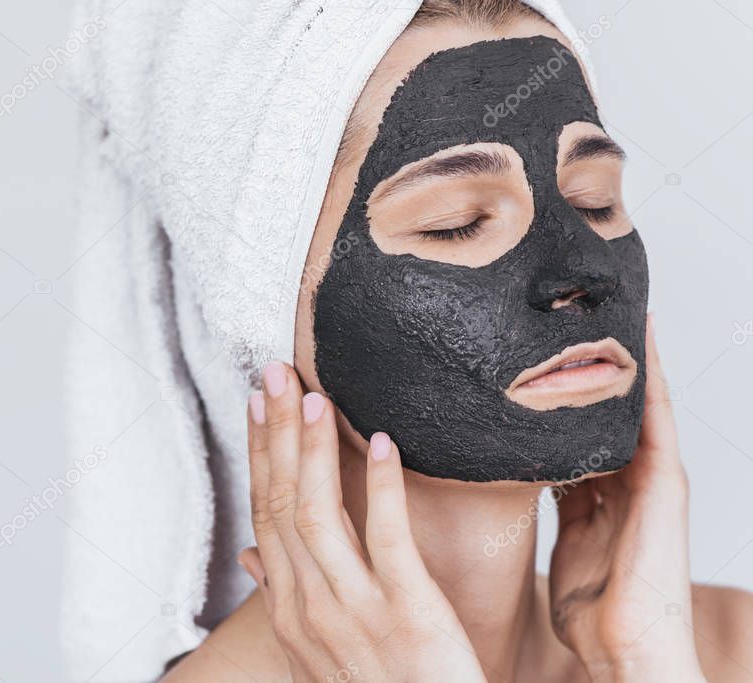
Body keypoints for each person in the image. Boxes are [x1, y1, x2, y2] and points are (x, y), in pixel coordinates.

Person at [163, 1, 753, 681]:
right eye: (456, 222)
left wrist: (643, 660)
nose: (583, 270)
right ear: (257, 305)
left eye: (593, 200)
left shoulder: (726, 646)